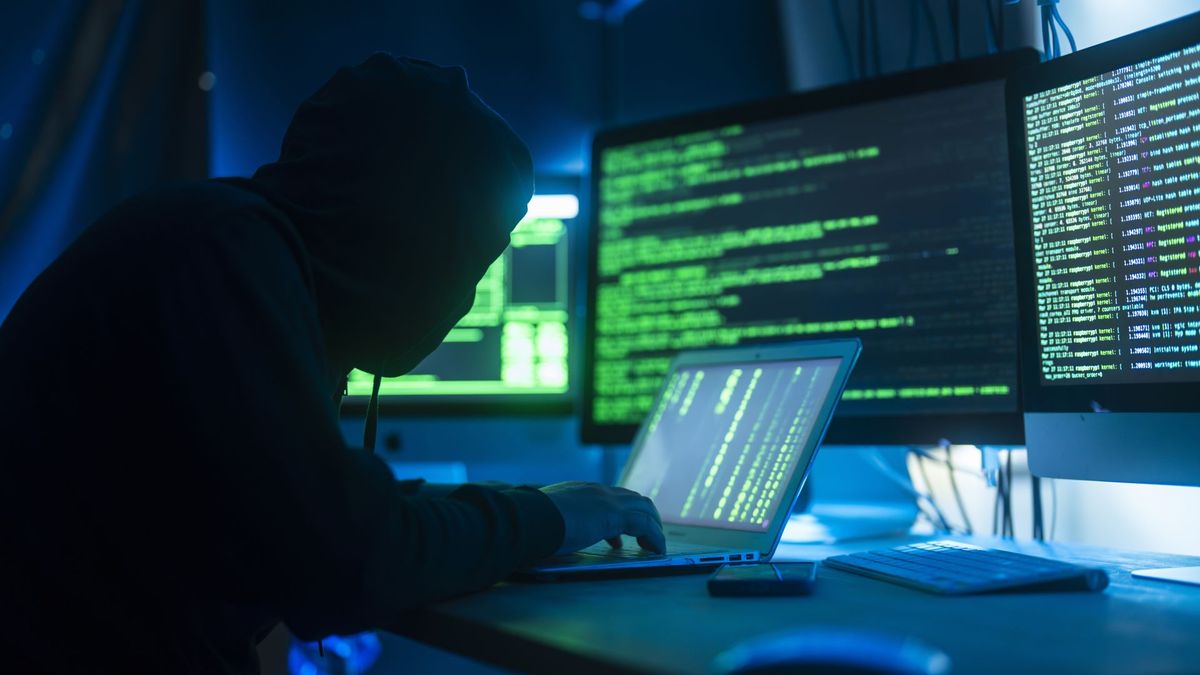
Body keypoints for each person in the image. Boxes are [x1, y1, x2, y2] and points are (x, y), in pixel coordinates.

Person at [0, 54, 664, 674]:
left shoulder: (222, 238)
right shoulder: (224, 254)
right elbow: (343, 559)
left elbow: (311, 500)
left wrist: (521, 508)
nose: (462, 299)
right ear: (408, 238)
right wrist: (549, 521)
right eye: (469, 260)